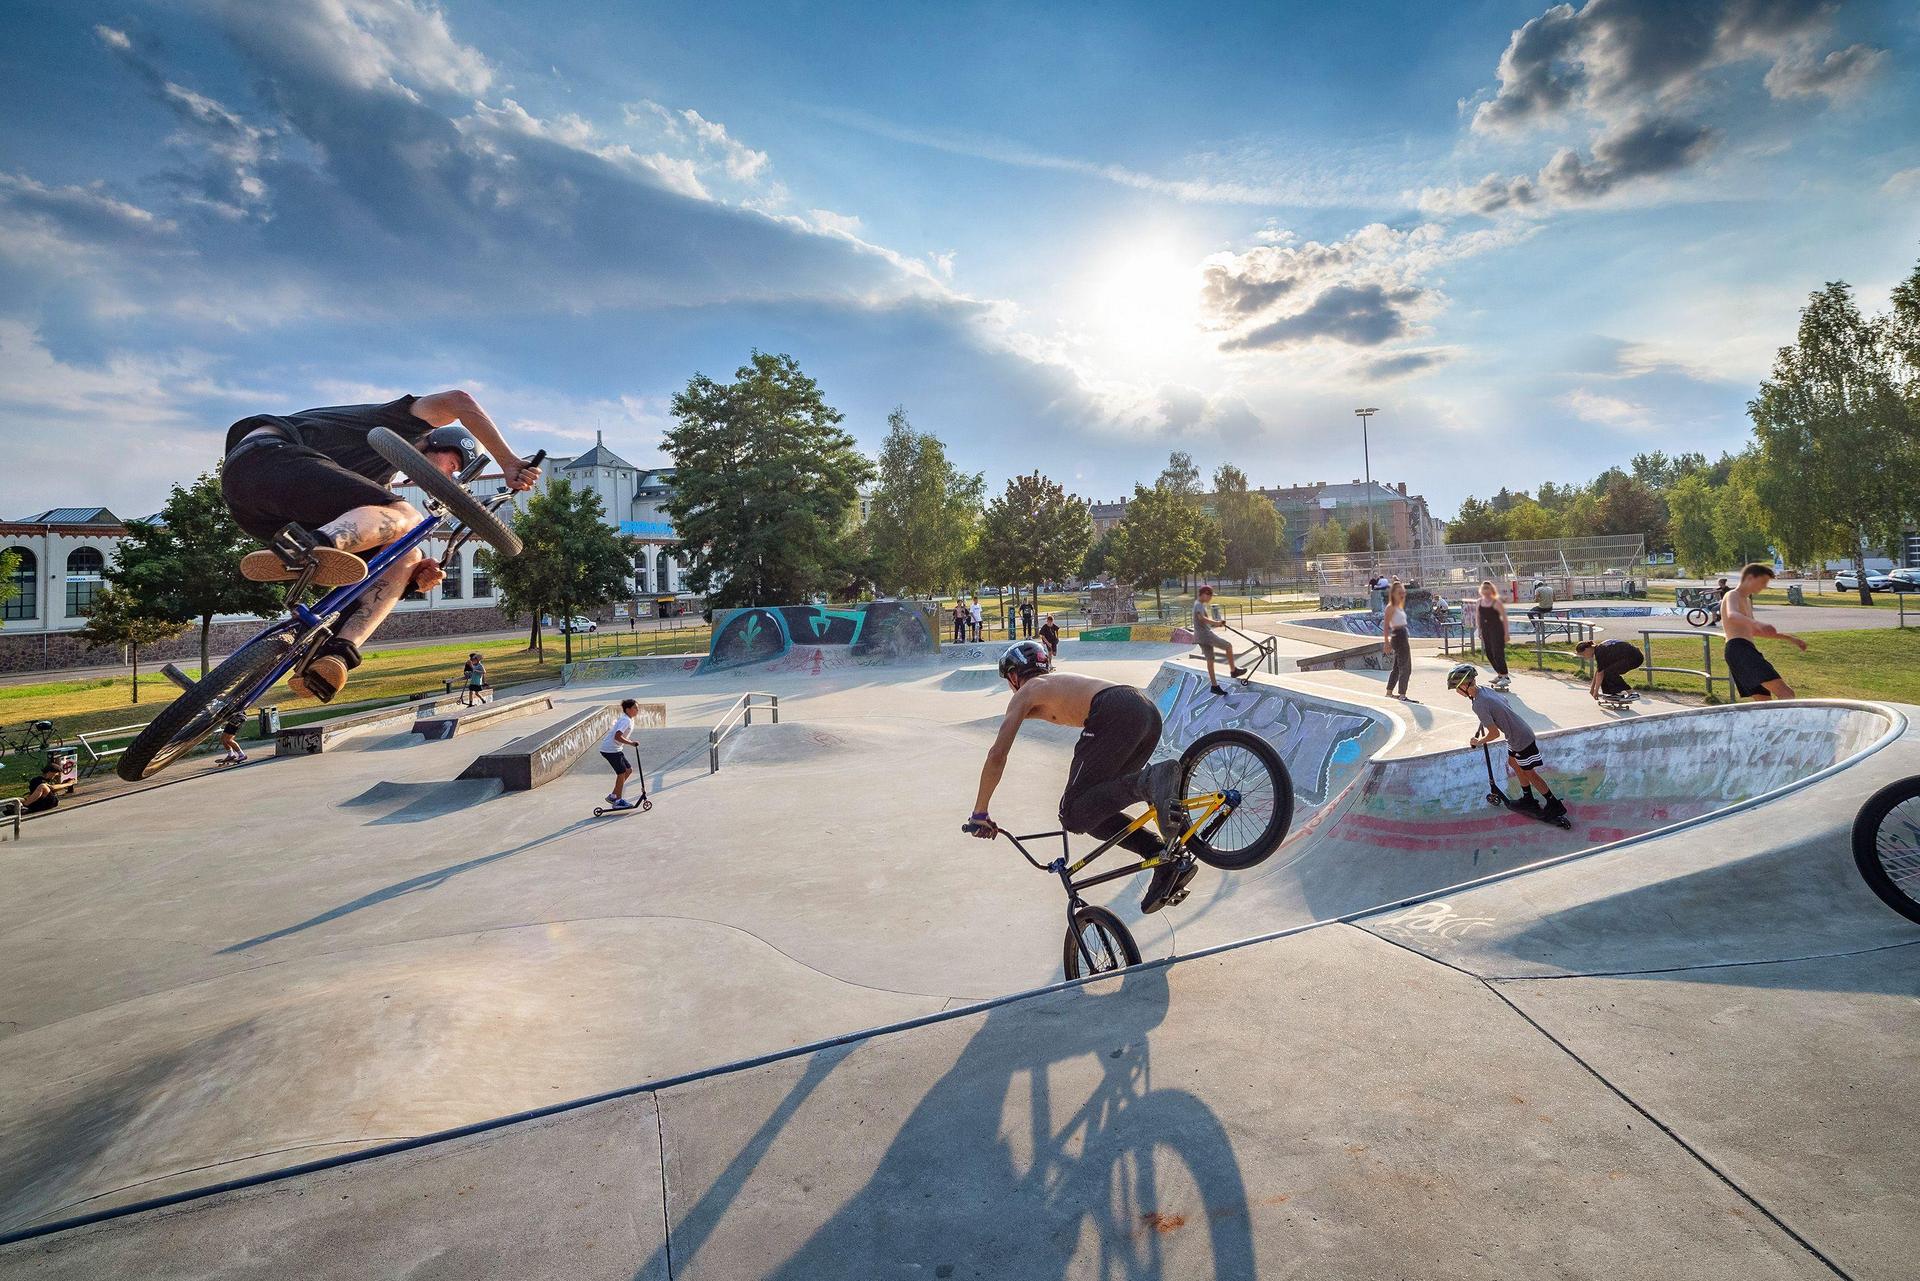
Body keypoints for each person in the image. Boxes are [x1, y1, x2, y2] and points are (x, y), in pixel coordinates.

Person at [220, 390, 541, 703]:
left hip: (261, 514)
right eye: (453, 465)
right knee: (406, 516)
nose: (450, 478)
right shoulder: (404, 423)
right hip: (266, 456)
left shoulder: (374, 492)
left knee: (406, 553)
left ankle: (335, 655)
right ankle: (308, 550)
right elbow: (460, 401)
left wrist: (413, 580)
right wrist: (508, 461)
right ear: (437, 442)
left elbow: (379, 543)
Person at [964, 640, 1195, 914]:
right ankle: (1160, 857)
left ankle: (1148, 781)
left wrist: (980, 812)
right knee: (1094, 812)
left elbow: (997, 755)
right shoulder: (1052, 685)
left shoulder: (1027, 691)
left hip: (1113, 711)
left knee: (1071, 812)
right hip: (1146, 713)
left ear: (1014, 676)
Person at [1448, 663, 1564, 819]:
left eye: (1456, 687)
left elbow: (1494, 734)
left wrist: (1478, 741)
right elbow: (1503, 703)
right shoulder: (1484, 690)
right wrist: (1490, 718)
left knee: (1529, 773)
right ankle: (1528, 798)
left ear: (1465, 685)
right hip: (1518, 731)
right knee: (1513, 763)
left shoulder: (1478, 704)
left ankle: (1554, 804)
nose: (1456, 691)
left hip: (1520, 738)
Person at [1722, 562, 1807, 700]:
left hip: (1742, 650)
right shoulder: (1732, 595)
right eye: (1762, 582)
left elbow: (1754, 631)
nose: (1764, 586)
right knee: (1787, 694)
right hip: (1739, 650)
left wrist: (1790, 638)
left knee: (1763, 702)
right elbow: (1732, 615)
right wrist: (1756, 623)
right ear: (1750, 578)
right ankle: (1790, 722)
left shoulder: (1746, 601)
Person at [1193, 585, 1246, 695]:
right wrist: (1216, 623)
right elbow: (1201, 619)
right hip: (1205, 635)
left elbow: (1202, 621)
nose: (1210, 598)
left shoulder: (1199, 605)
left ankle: (1214, 686)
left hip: (1199, 636)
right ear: (1204, 594)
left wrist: (1216, 624)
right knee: (1228, 646)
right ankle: (1233, 671)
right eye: (1209, 596)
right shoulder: (1198, 605)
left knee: (1210, 660)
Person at [598, 698, 643, 809]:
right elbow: (617, 736)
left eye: (637, 708)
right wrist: (631, 743)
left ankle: (613, 796)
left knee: (628, 770)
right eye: (635, 708)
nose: (637, 710)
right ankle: (618, 801)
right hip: (610, 749)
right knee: (621, 772)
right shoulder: (625, 720)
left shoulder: (628, 719)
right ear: (627, 709)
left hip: (616, 749)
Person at [1574, 638, 1644, 702]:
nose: (1584, 658)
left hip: (1634, 658)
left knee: (1609, 672)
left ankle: (1631, 693)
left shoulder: (1600, 652)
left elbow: (1600, 674)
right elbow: (1599, 671)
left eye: (1583, 655)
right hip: (1632, 655)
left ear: (1587, 649)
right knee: (1606, 672)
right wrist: (1592, 689)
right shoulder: (1600, 649)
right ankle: (1613, 693)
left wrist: (1596, 691)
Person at [1475, 580, 1511, 691]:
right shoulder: (1479, 602)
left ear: (1492, 590)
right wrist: (1479, 629)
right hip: (1486, 630)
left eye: (1488, 588)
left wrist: (1506, 633)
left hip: (1496, 630)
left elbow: (1504, 618)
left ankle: (1505, 675)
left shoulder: (1496, 603)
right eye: (1484, 588)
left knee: (1497, 652)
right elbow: (1478, 616)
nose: (1485, 590)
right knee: (1489, 653)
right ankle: (1500, 674)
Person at [1381, 582, 1412, 699]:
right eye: (1398, 592)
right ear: (1393, 593)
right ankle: (1402, 694)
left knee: (1398, 667)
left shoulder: (1399, 606)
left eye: (1402, 592)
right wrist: (1386, 642)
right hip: (1398, 635)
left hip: (1402, 634)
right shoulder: (1390, 607)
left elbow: (1403, 593)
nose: (1401, 594)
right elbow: (1385, 626)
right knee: (1406, 667)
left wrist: (1398, 584)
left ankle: (1389, 692)